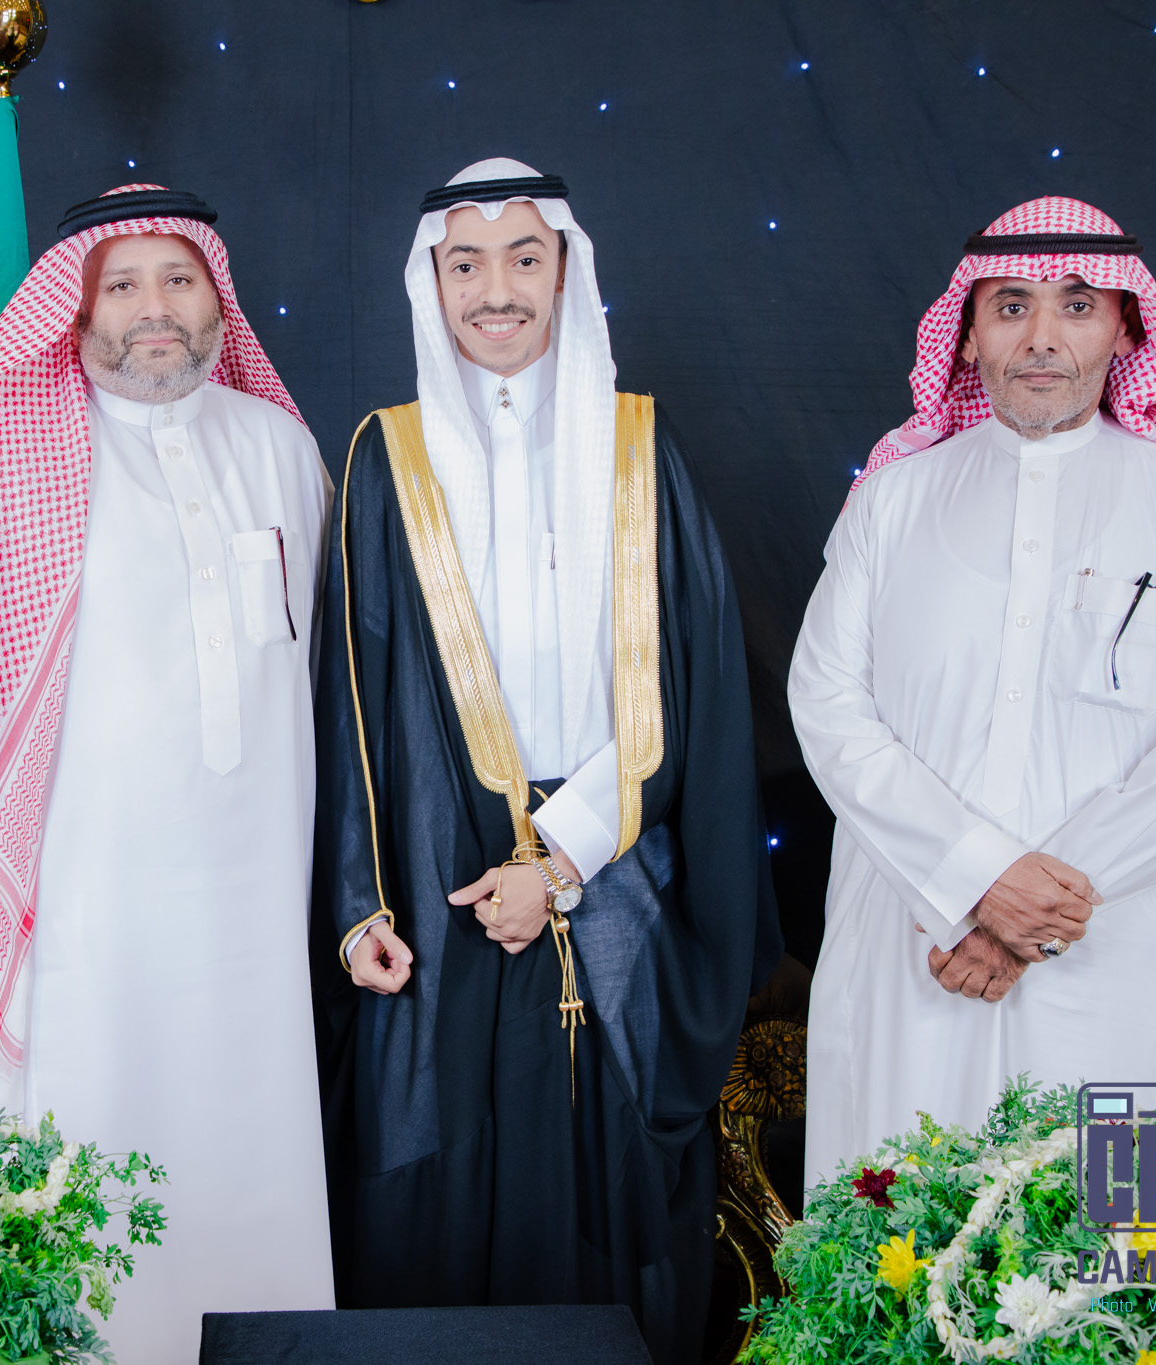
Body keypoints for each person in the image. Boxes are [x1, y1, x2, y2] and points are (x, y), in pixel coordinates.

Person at [311, 158, 779, 1365]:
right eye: (464, 264)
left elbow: (692, 691)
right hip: (437, 888)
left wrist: (558, 859)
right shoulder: (383, 455)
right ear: (429, 285)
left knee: (608, 1190)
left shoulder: (638, 447)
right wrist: (358, 906)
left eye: (524, 258)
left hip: (617, 871)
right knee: (439, 1190)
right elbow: (347, 699)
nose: (495, 291)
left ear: (565, 271)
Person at [0, 184, 334, 1362]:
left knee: (249, 1195)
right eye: (119, 285)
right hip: (69, 947)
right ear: (71, 311)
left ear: (218, 301)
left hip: (252, 946)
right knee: (75, 1235)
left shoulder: (283, 453)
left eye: (177, 278)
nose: (152, 308)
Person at [789, 197, 1156, 1189]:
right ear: (967, 333)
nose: (1042, 338)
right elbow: (828, 705)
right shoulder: (892, 500)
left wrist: (1035, 908)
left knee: (1148, 1267)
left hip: (1140, 961)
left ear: (1126, 328)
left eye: (1077, 304)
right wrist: (977, 879)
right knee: (901, 1257)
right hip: (925, 955)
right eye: (1011, 306)